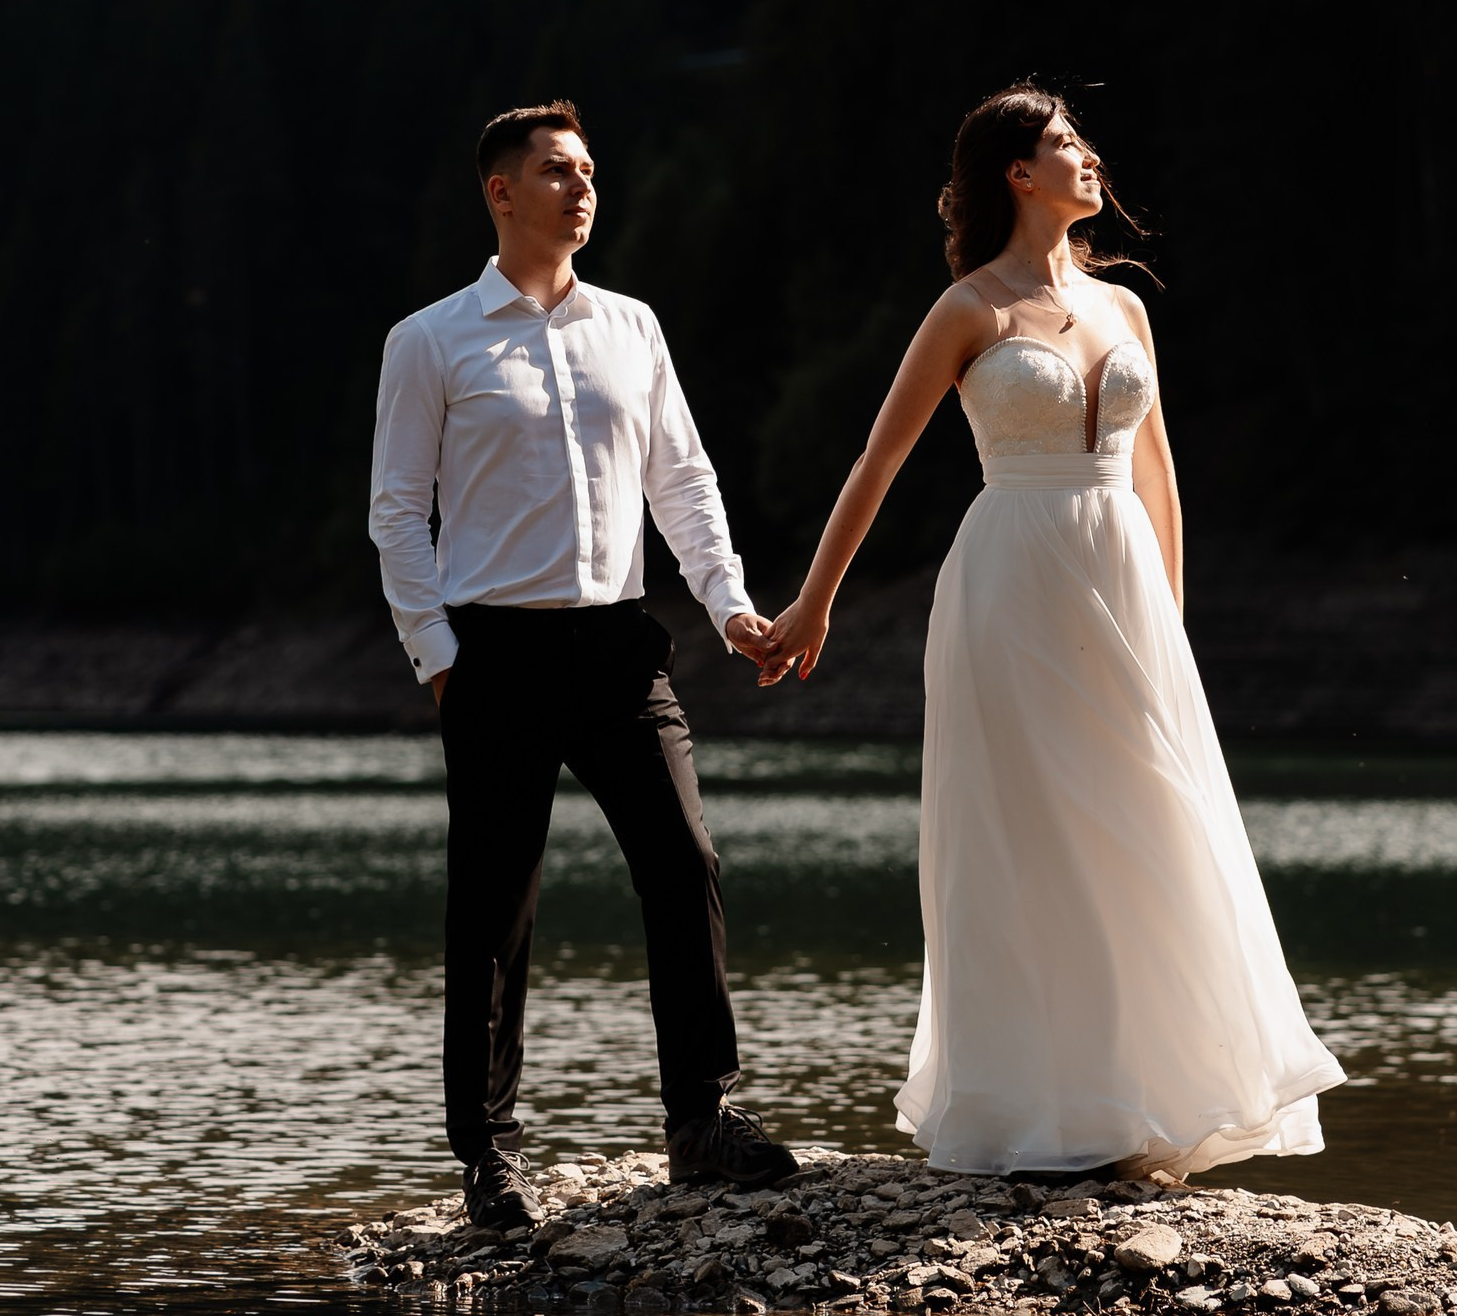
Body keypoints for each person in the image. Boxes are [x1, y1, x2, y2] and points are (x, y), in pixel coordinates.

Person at [757, 83, 1345, 1178]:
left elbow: (1159, 473)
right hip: (1008, 580)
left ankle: (1143, 1111)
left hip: (1118, 582)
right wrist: (812, 602)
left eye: (1080, 140)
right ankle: (1034, 1112)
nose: (1088, 158)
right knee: (1025, 837)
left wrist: (1166, 625)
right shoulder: (967, 309)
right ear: (1016, 174)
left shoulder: (1126, 306)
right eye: (1063, 144)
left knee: (1142, 823)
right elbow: (875, 461)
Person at [369, 100, 799, 1228]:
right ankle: (488, 1154)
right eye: (557, 170)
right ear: (498, 190)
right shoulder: (430, 338)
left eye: (590, 171)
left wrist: (731, 607)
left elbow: (683, 483)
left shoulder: (633, 327)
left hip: (619, 646)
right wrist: (439, 659)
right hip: (491, 652)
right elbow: (396, 512)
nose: (582, 187)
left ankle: (699, 1121)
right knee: (494, 909)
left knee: (684, 860)